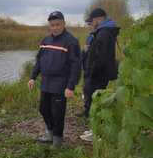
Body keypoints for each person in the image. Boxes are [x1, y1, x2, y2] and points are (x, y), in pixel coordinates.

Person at [28, 11, 81, 147]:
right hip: (45, 82)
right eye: (52, 25)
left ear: (64, 23)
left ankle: (57, 140)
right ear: (49, 26)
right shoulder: (45, 41)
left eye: (58, 24)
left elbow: (76, 66)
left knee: (57, 113)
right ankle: (50, 134)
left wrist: (71, 86)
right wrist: (33, 77)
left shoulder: (71, 41)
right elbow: (39, 60)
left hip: (61, 83)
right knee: (43, 109)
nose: (55, 27)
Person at [80, 8, 120, 142]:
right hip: (100, 74)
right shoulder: (104, 32)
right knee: (95, 102)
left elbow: (100, 58)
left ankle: (97, 134)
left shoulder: (103, 33)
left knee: (96, 103)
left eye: (92, 21)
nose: (91, 23)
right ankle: (95, 130)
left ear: (98, 19)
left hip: (98, 75)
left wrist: (91, 72)